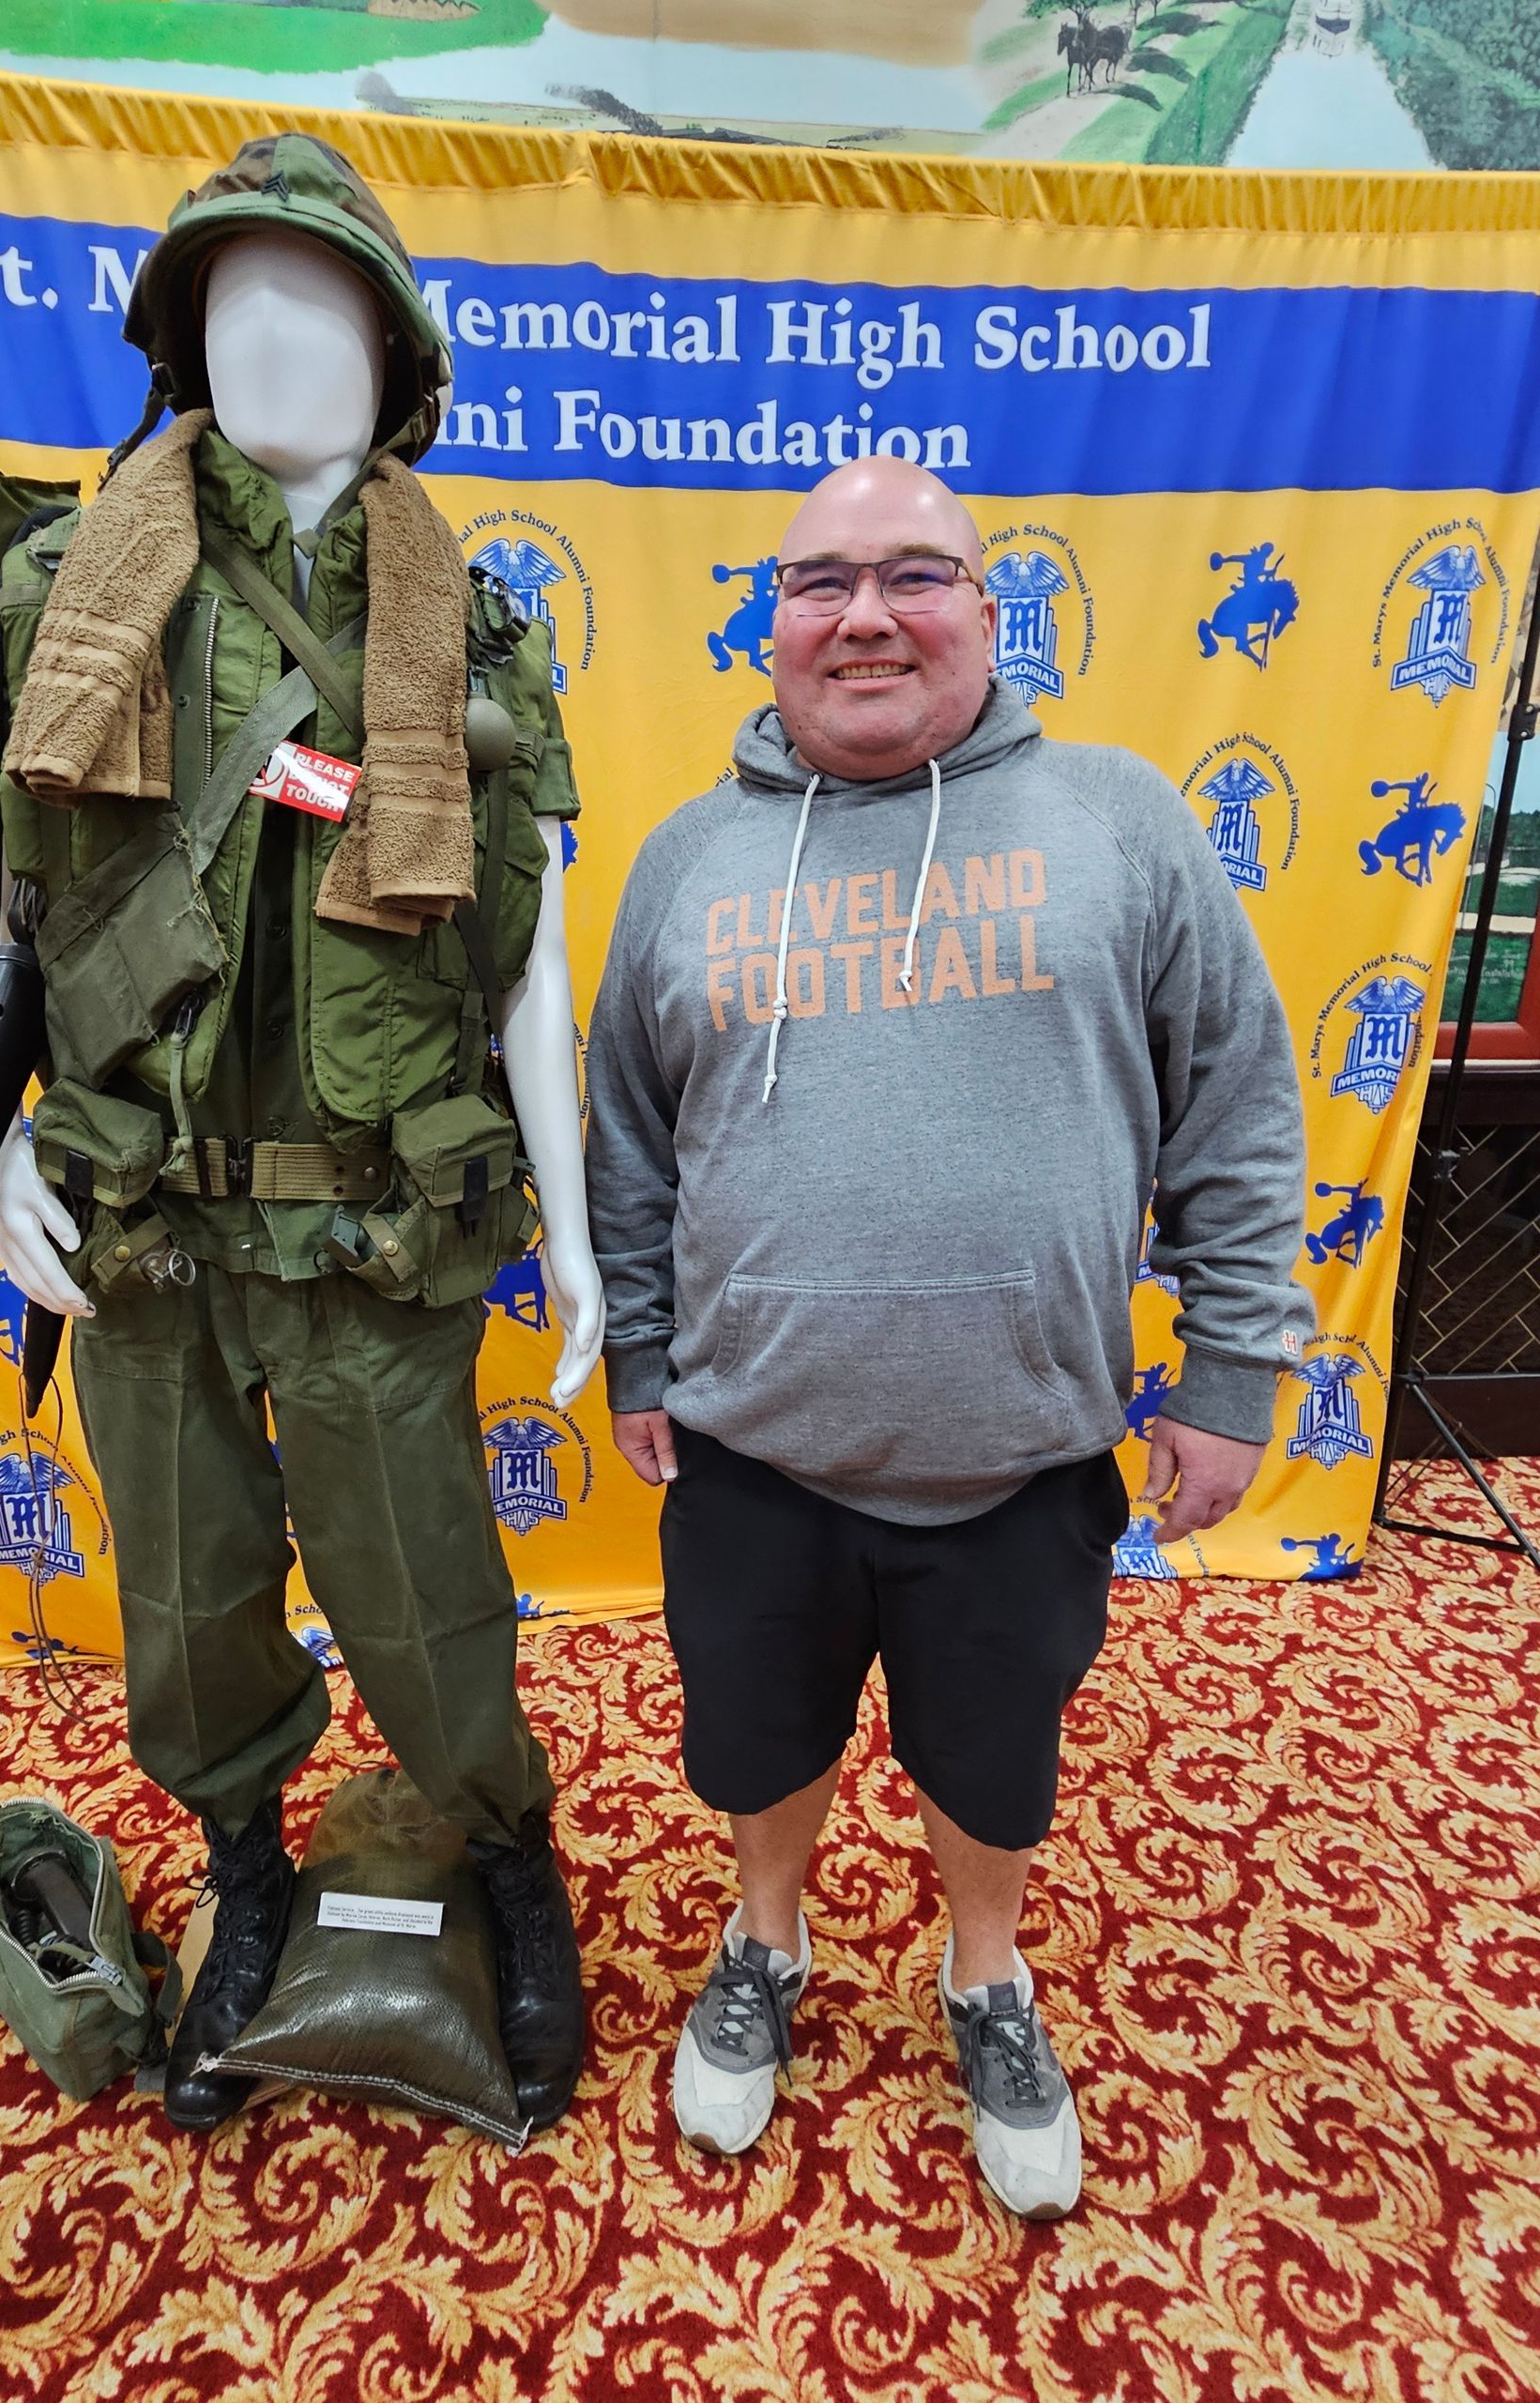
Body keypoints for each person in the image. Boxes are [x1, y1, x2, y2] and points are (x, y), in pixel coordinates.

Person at [0, 136, 602, 2135]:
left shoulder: (472, 628)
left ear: (397, 360)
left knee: (425, 1592)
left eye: (318, 301)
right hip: (134, 1211)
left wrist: (577, 1235)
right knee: (186, 1600)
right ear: (179, 339)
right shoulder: (59, 593)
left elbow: (530, 958)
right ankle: (243, 1872)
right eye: (232, 300)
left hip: (377, 1223)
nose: (272, 336)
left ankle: (506, 1862)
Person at [586, 458, 1313, 2218]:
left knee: (994, 1760)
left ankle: (987, 1976)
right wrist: (639, 1355)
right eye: (821, 581)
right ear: (772, 623)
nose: (866, 614)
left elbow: (1236, 1106)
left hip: (1021, 1445)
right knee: (759, 1745)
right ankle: (767, 1940)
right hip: (754, 1444)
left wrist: (1230, 1373)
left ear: (989, 610)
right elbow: (626, 1141)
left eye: (916, 574)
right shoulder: (686, 856)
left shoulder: (1119, 819)